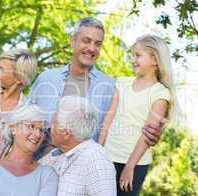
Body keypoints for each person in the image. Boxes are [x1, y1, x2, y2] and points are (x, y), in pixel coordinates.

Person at [28, 17, 162, 159]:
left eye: (97, 44)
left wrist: (151, 134)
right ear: (73, 41)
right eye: (86, 41)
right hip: (38, 167)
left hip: (82, 171)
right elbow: (24, 119)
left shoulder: (110, 87)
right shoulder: (46, 78)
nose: (92, 48)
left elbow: (126, 124)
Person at [98, 34, 174, 196]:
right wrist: (97, 150)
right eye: (132, 55)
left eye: (138, 55)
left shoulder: (160, 93)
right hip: (107, 156)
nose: (133, 60)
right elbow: (108, 118)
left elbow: (147, 134)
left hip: (135, 163)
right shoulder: (122, 83)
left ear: (155, 59)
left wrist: (130, 166)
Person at [40, 96, 116, 196]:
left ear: (66, 133)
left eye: (52, 125)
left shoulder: (95, 159)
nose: (48, 130)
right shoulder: (57, 154)